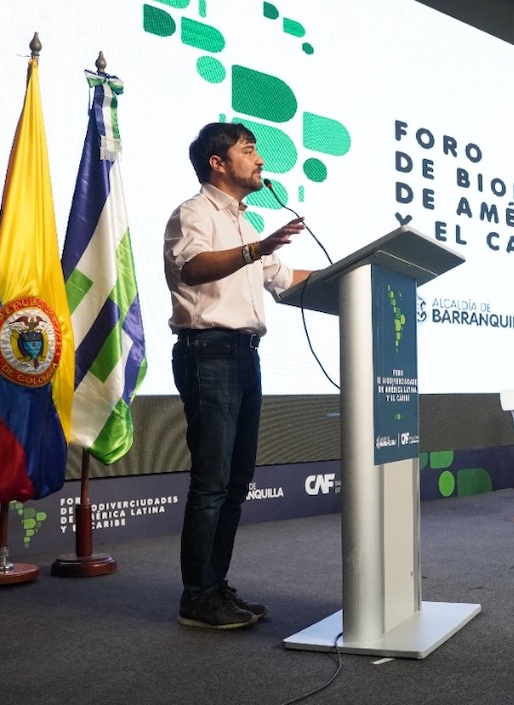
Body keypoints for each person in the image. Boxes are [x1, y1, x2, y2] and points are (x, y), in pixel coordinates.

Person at [165, 122, 312, 629]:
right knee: (212, 482)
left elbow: (286, 280)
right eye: (249, 150)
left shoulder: (249, 226)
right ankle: (196, 597)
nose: (260, 160)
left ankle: (214, 587)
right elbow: (193, 269)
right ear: (218, 163)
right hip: (208, 353)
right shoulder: (194, 213)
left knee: (236, 480)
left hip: (245, 355)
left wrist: (365, 269)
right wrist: (259, 248)